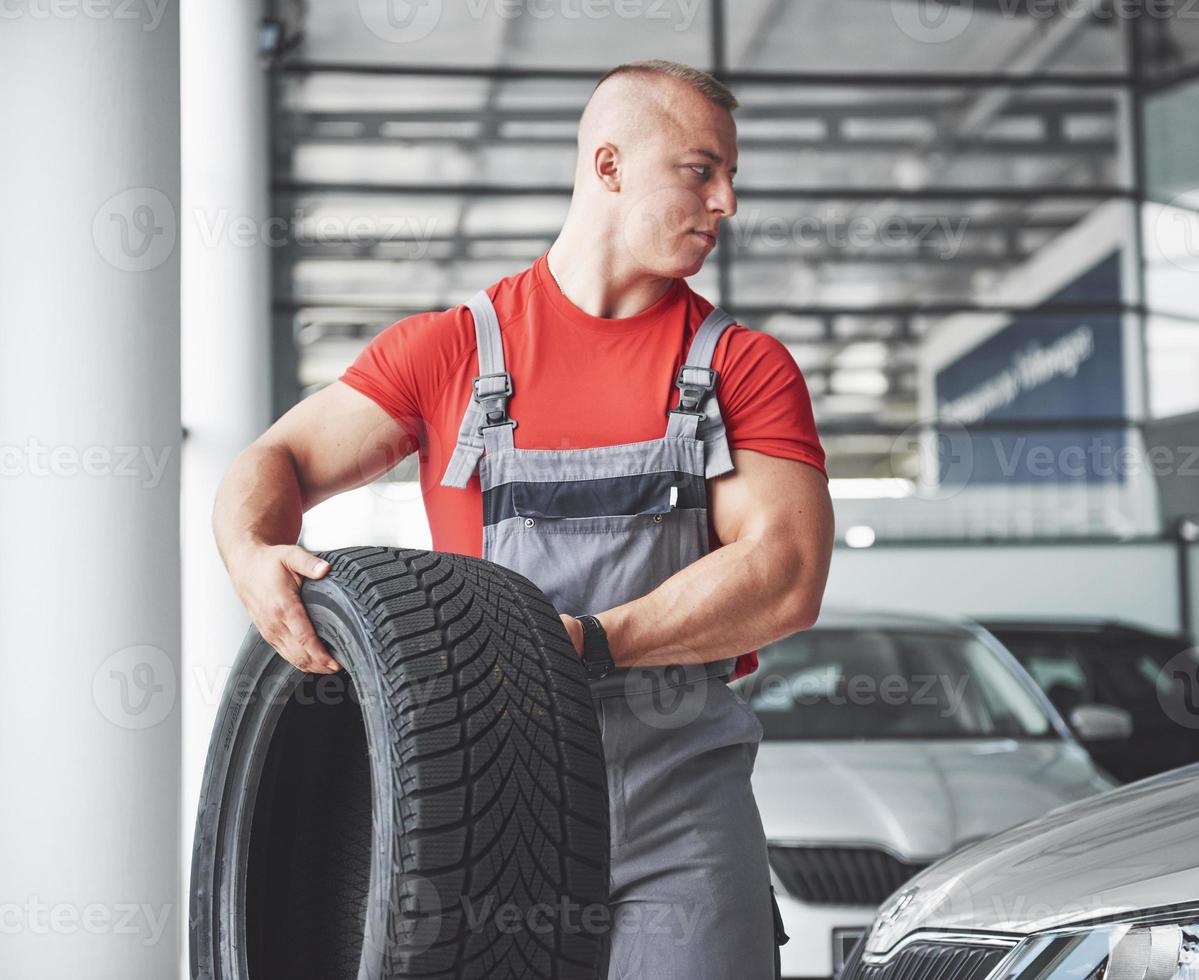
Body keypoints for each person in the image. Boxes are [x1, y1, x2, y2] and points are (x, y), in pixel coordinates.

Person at [213, 58, 834, 979]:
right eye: (701, 170)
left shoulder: (741, 367)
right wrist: (249, 549)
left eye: (731, 176)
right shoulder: (447, 352)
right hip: (482, 810)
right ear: (610, 165)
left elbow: (783, 574)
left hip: (681, 817)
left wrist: (582, 643)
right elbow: (277, 461)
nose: (727, 201)